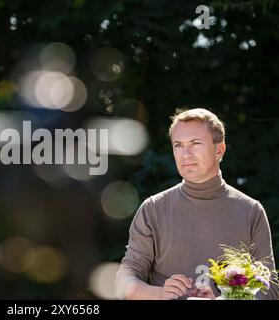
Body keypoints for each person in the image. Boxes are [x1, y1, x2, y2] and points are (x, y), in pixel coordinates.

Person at [115, 108, 278, 300]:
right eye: (178, 145)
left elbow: (270, 289)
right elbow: (125, 279)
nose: (186, 154)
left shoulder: (251, 211)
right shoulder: (153, 209)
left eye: (195, 143)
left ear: (219, 149)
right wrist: (160, 293)